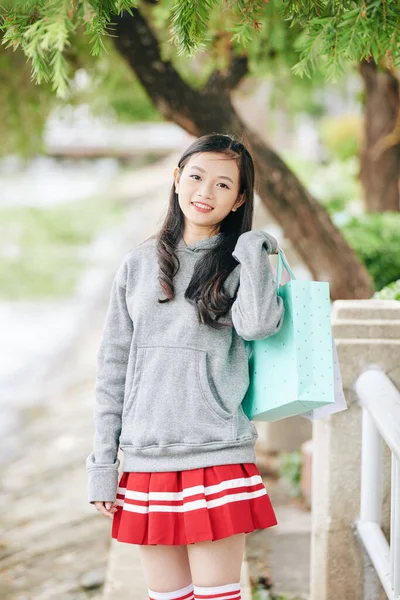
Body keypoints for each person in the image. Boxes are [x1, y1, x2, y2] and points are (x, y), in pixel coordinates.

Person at [86, 132, 285, 600]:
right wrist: (102, 464)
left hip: (215, 453)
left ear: (239, 199)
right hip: (146, 457)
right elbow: (112, 368)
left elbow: (258, 326)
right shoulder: (137, 264)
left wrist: (254, 251)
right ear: (176, 180)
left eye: (222, 185)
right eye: (196, 177)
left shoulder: (239, 265)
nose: (205, 192)